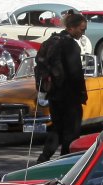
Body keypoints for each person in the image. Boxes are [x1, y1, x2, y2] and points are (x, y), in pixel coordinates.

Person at [35, 11, 88, 162]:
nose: (83, 33)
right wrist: (82, 93)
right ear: (71, 28)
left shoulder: (52, 41)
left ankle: (43, 159)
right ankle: (66, 163)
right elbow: (76, 73)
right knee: (71, 133)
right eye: (81, 29)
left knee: (56, 129)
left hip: (53, 94)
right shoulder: (71, 45)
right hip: (69, 96)